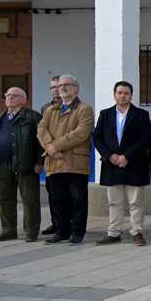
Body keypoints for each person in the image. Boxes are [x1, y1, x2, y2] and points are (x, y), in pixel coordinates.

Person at [93, 81, 151, 246]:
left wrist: (126, 156)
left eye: (126, 93)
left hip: (134, 163)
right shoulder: (105, 114)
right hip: (111, 164)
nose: (122, 95)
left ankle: (137, 232)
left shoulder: (141, 114)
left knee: (136, 202)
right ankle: (114, 233)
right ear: (114, 94)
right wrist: (109, 155)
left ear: (131, 95)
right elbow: (97, 137)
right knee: (114, 202)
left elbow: (145, 139)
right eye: (119, 92)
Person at [38, 74, 95, 244]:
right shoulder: (50, 110)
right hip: (54, 162)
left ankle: (77, 232)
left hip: (75, 163)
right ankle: (61, 231)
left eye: (67, 85)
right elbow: (41, 129)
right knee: (58, 200)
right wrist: (50, 147)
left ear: (76, 89)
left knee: (78, 200)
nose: (62, 87)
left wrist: (55, 146)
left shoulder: (84, 109)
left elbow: (81, 133)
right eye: (60, 85)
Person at [0, 87, 42, 242]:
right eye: (7, 95)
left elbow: (41, 142)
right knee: (4, 198)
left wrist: (39, 162)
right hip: (2, 164)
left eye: (14, 96)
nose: (9, 98)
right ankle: (8, 230)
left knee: (30, 199)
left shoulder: (32, 117)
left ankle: (31, 231)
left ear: (23, 99)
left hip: (26, 164)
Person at [39, 75, 62, 234]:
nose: (55, 90)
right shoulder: (45, 107)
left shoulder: (76, 106)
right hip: (51, 155)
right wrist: (49, 146)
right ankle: (56, 223)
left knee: (69, 194)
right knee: (53, 193)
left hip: (67, 154)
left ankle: (70, 224)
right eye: (52, 87)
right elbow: (42, 130)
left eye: (58, 87)